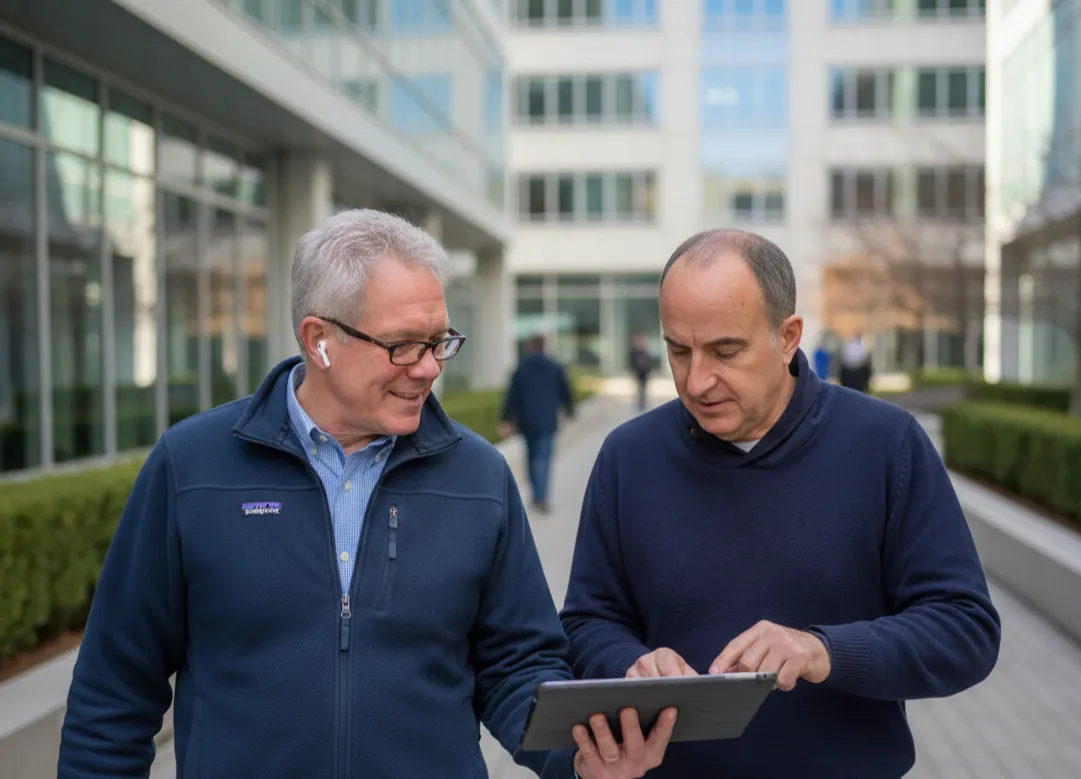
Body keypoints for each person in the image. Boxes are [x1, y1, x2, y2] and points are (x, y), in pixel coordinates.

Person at [57, 209, 675, 779]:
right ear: (319, 338)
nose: (430, 367)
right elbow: (115, 688)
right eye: (403, 345)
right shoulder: (191, 466)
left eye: (440, 342)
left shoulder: (479, 477)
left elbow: (518, 666)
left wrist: (579, 759)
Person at [560, 228, 1001, 778]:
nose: (697, 381)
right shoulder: (628, 456)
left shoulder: (886, 445)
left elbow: (965, 630)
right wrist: (627, 664)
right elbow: (585, 622)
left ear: (788, 337)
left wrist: (824, 651)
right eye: (679, 350)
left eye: (725, 350)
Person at [500, 333, 575, 514]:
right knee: (545, 459)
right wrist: (570, 409)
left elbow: (511, 396)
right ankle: (541, 496)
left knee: (531, 458)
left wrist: (505, 418)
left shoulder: (521, 368)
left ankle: (536, 494)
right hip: (548, 420)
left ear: (530, 346)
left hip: (527, 421)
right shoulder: (555, 367)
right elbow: (565, 390)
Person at [628, 333, 655, 411]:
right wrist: (632, 371)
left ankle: (642, 402)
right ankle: (640, 402)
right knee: (639, 387)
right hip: (638, 372)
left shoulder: (646, 351)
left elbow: (650, 362)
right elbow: (631, 363)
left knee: (643, 388)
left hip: (645, 372)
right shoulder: (633, 352)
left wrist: (650, 371)